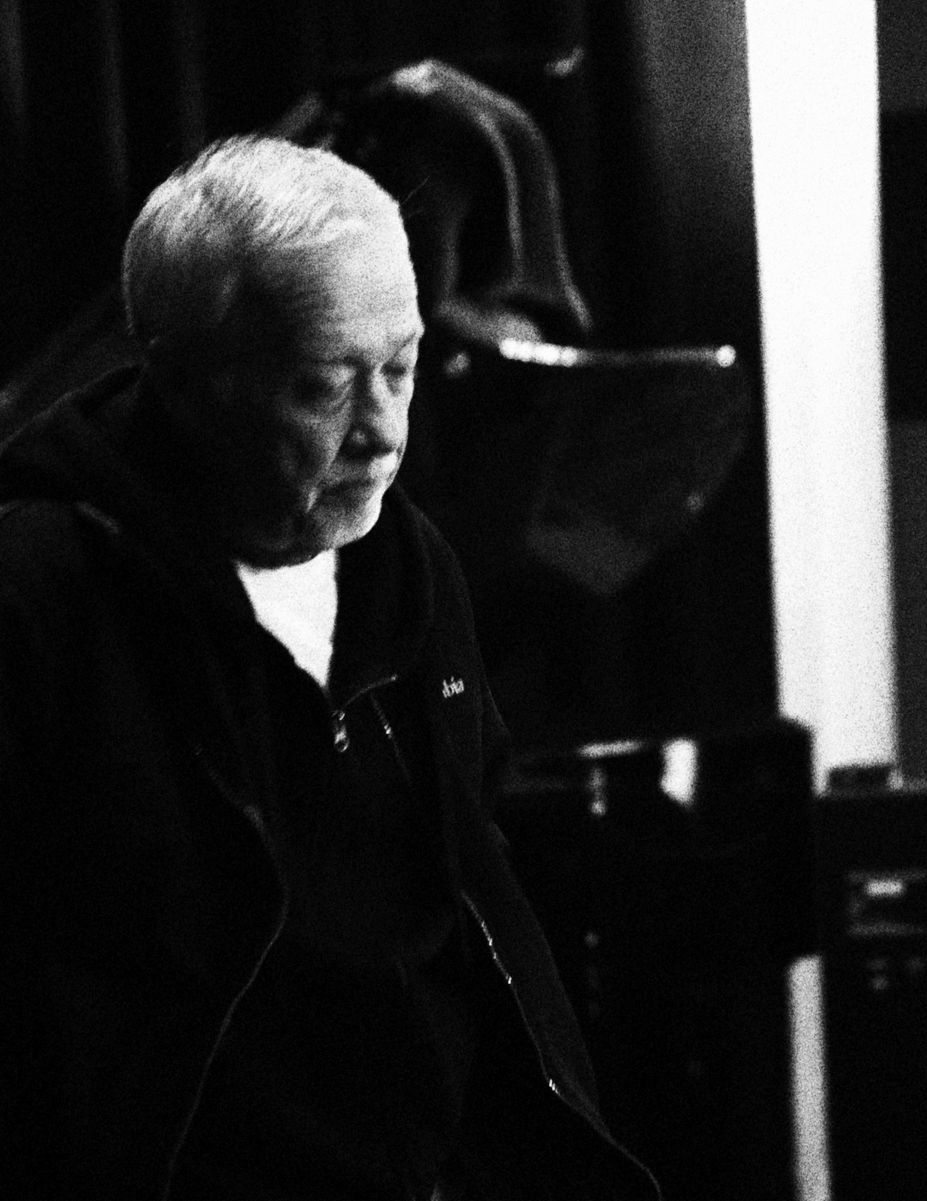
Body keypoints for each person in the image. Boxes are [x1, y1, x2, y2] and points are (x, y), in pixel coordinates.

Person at [0, 135, 658, 1201]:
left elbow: (469, 893)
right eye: (324, 386)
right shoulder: (38, 592)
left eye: (400, 366)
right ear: (184, 380)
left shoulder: (412, 564)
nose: (383, 432)